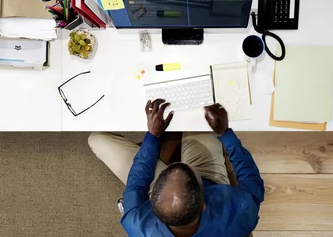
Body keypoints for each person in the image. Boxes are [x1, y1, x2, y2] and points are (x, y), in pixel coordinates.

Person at [89, 100, 264, 237]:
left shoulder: (137, 225)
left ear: (152, 204)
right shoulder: (241, 211)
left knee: (96, 139)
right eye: (188, 169)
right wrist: (224, 133)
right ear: (203, 206)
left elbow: (136, 185)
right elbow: (252, 181)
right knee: (198, 114)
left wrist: (153, 137)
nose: (177, 164)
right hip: (210, 179)